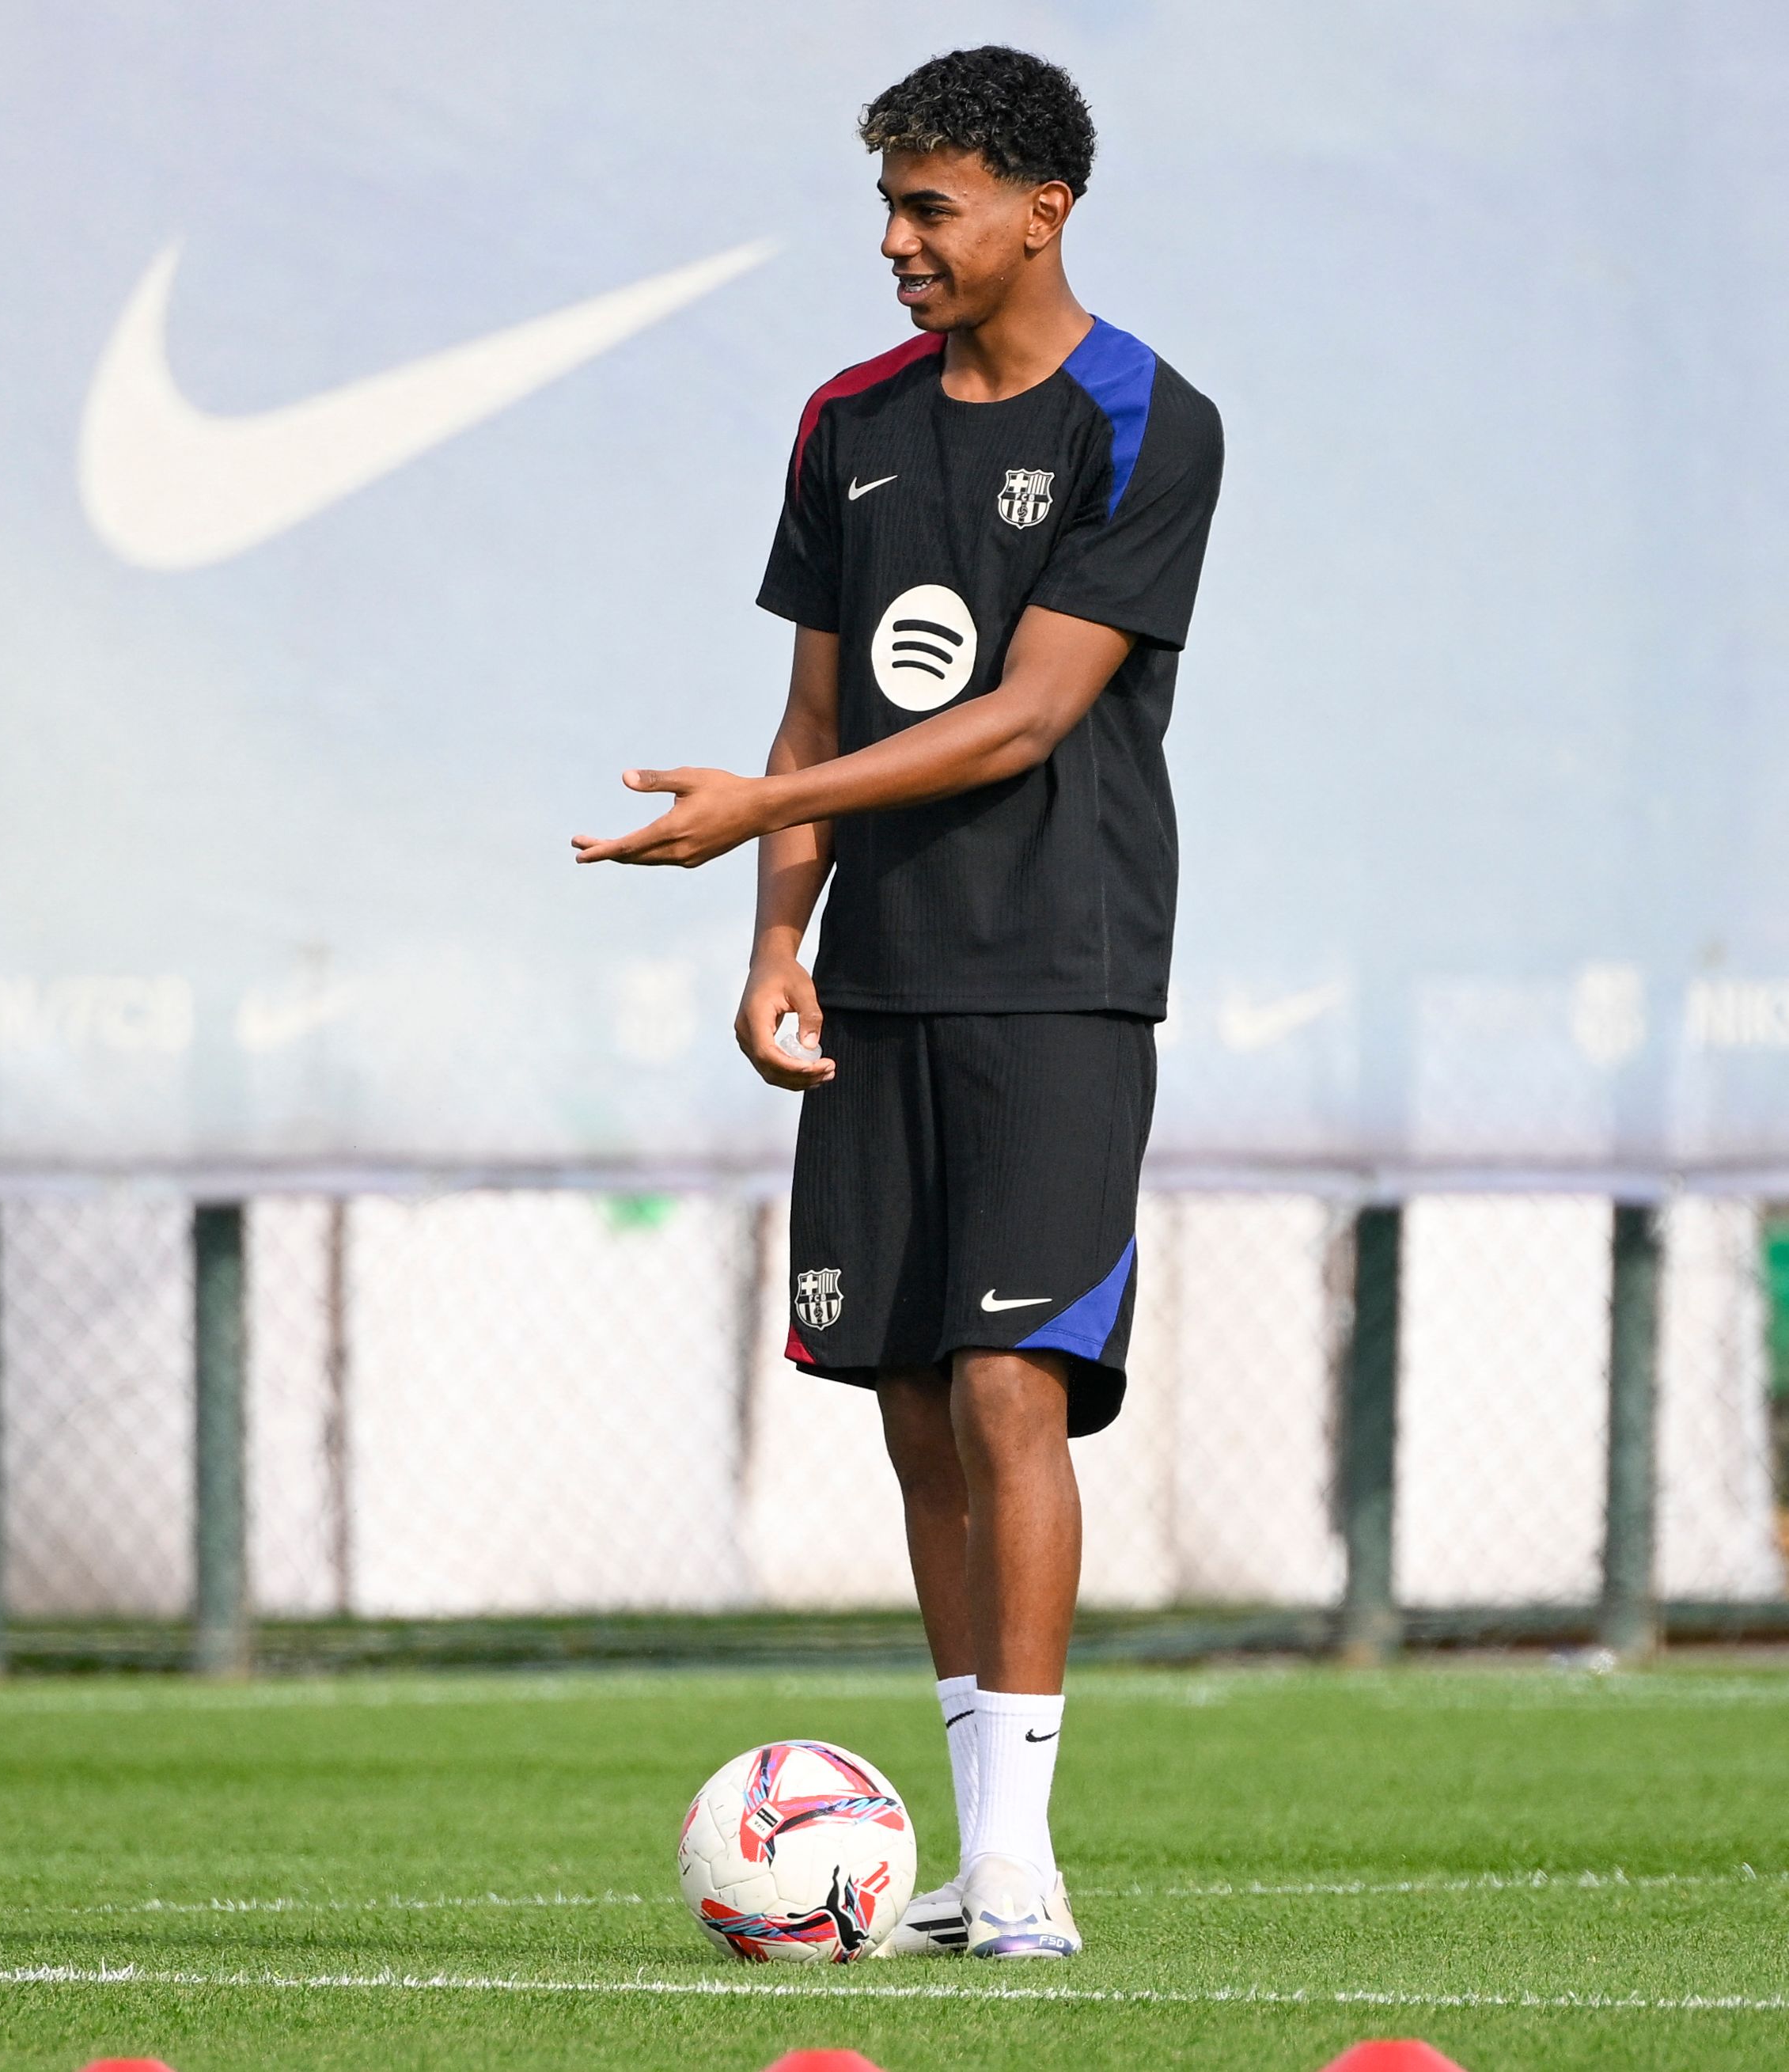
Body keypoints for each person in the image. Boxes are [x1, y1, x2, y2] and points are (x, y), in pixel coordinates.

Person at [574, 47, 1222, 1960]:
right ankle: (961, 1859)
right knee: (919, 1404)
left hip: (1060, 974)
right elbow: (812, 721)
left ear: (1041, 210)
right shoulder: (843, 421)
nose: (893, 242)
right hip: (876, 981)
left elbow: (1022, 715)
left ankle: (1020, 1862)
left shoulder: (1143, 418)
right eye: (885, 204)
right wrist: (774, 937)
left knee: (1015, 1382)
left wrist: (748, 816)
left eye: (928, 207)